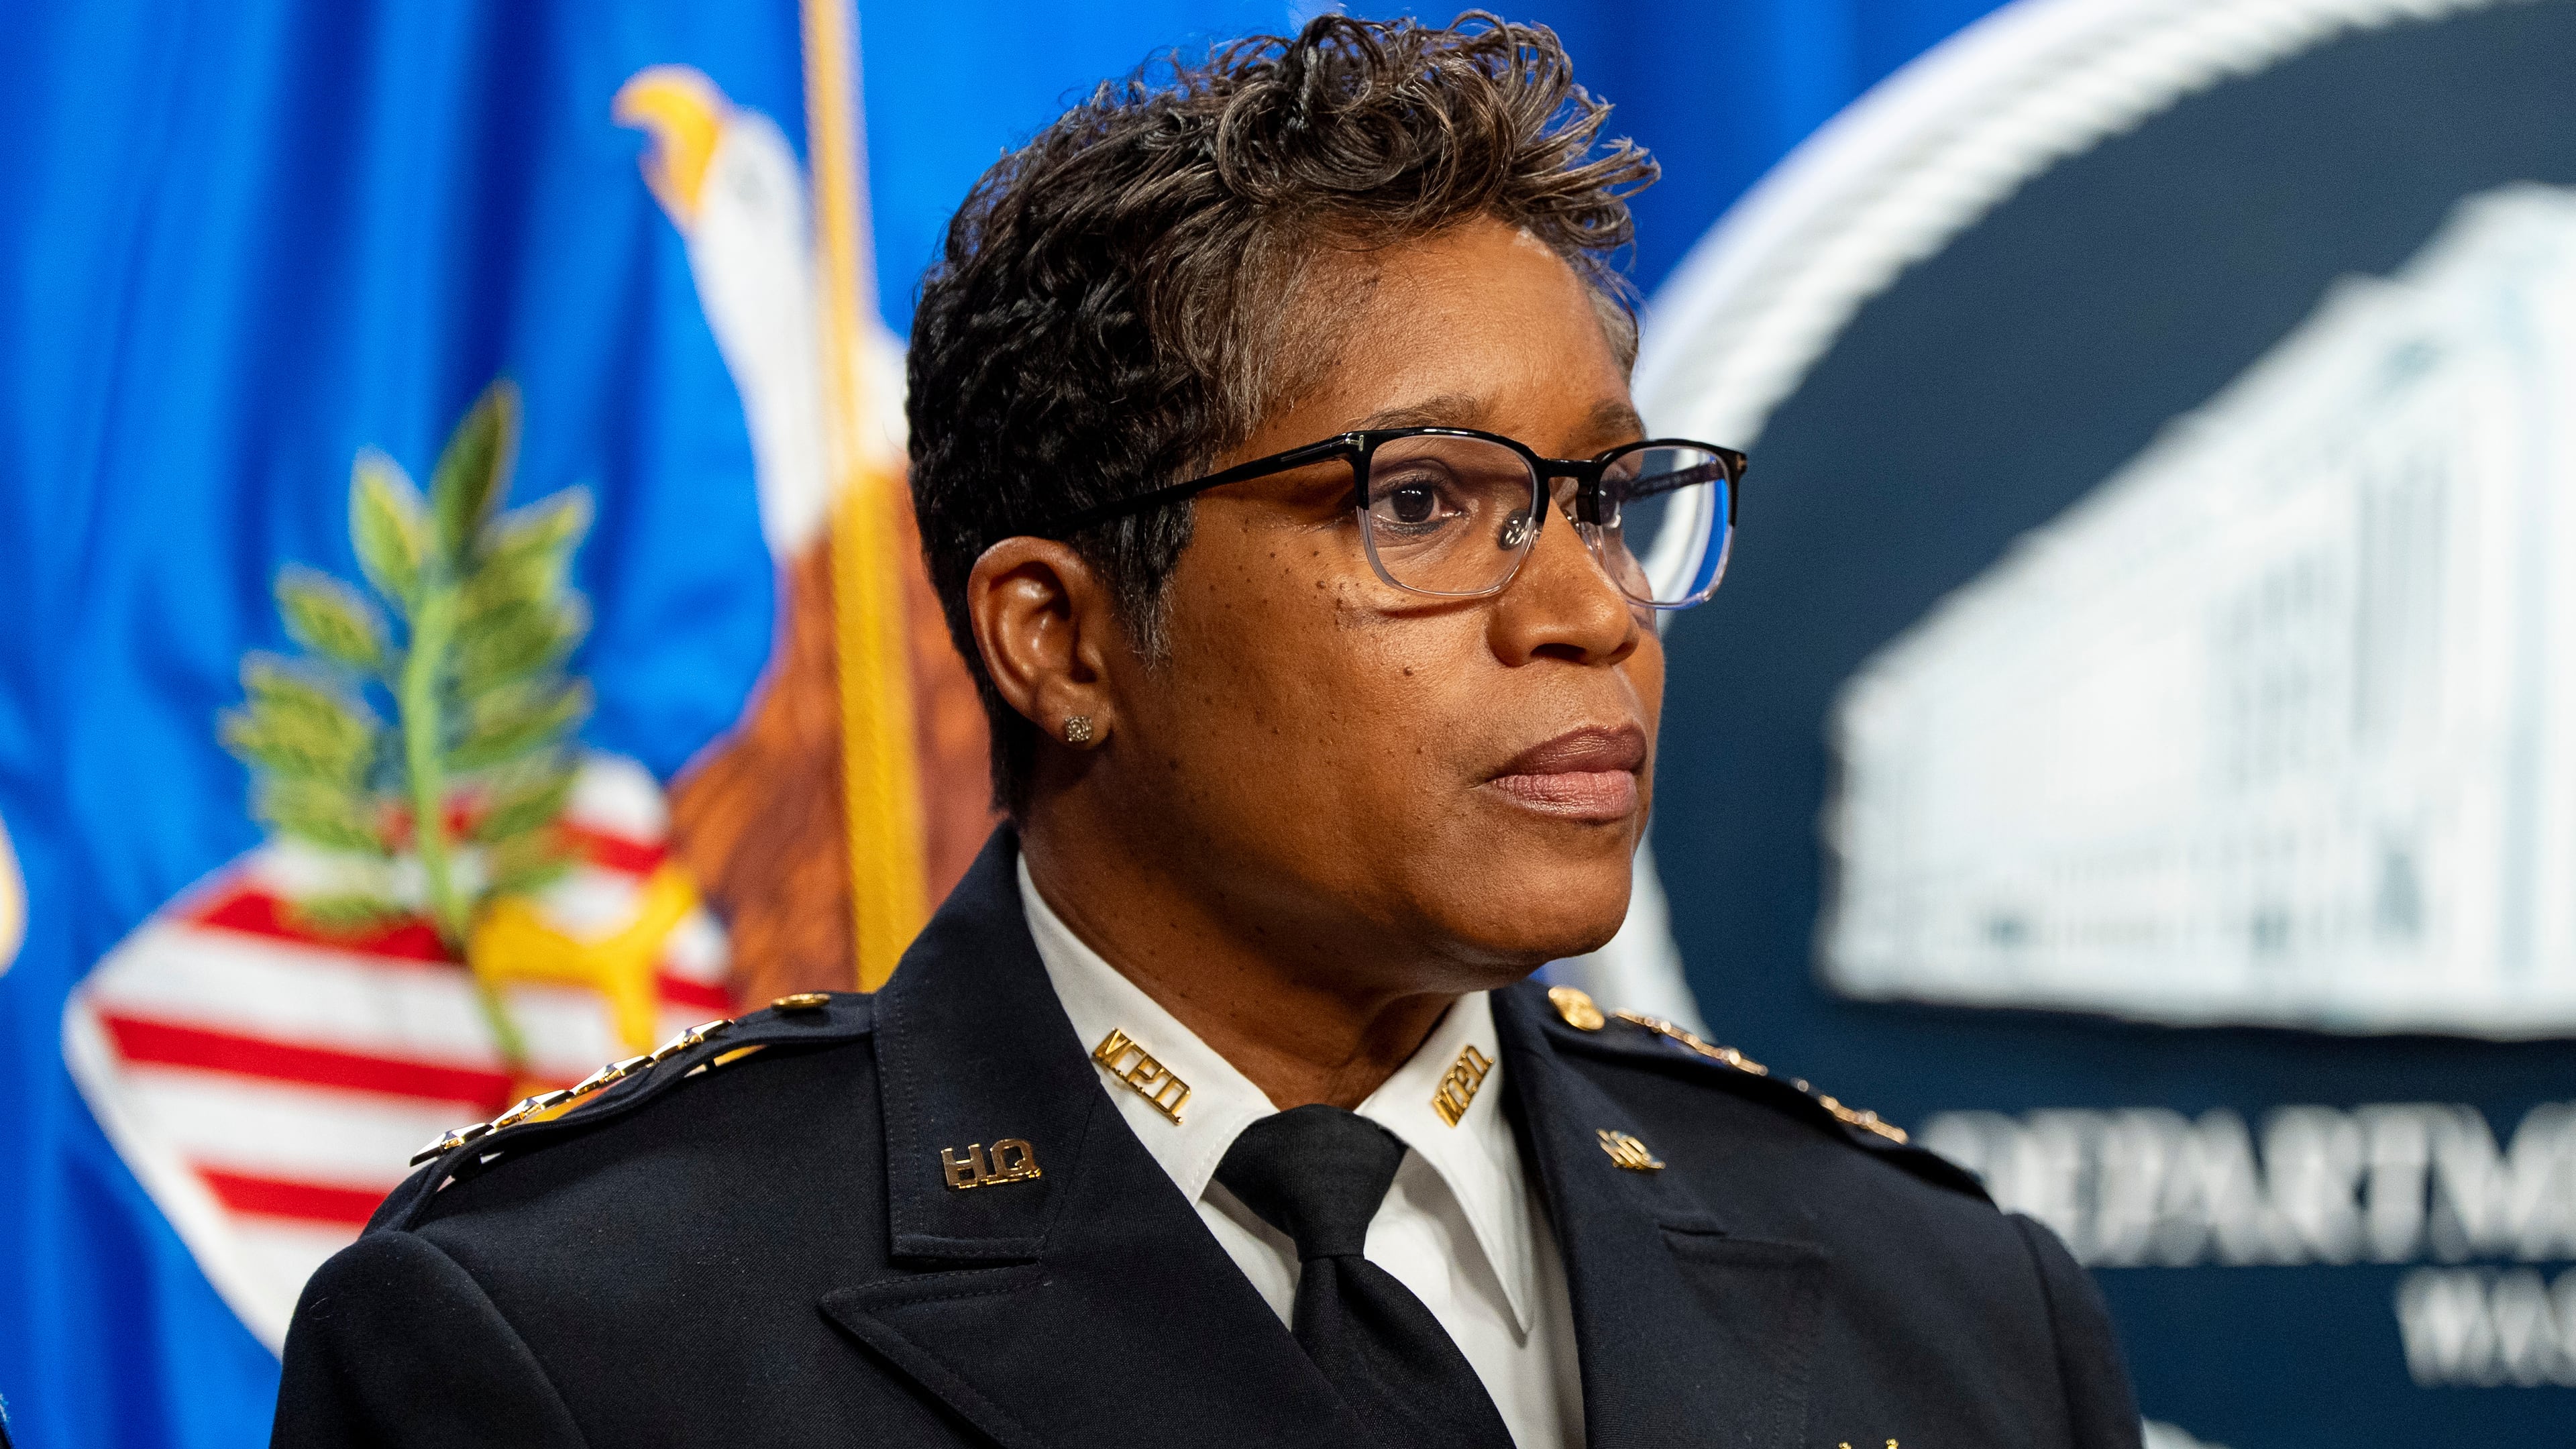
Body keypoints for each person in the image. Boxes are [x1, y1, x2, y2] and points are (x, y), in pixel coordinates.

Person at [272, 15, 2141, 1448]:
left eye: (1603, 495)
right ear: (1058, 638)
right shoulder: (573, 1344)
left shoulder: (1957, 1310)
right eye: (1422, 502)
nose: (1591, 608)